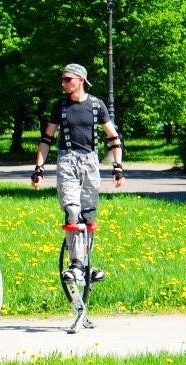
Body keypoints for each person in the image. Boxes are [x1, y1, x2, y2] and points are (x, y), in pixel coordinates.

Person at [31, 63, 125, 283]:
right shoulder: (60, 106)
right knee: (73, 211)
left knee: (88, 215)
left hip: (90, 162)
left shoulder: (96, 105)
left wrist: (117, 168)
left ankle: (86, 263)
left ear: (80, 80)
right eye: (63, 79)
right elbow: (46, 139)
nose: (63, 83)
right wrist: (39, 169)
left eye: (67, 79)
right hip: (67, 159)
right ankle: (76, 265)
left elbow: (113, 137)